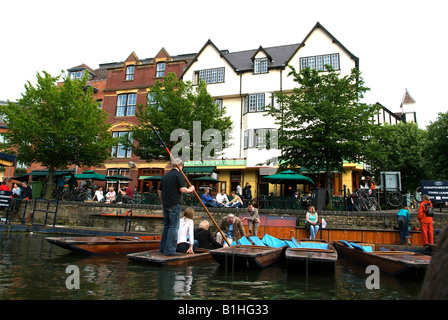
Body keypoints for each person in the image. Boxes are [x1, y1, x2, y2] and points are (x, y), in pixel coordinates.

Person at [158, 158, 195, 256]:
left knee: (166, 226)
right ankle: (169, 250)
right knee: (173, 227)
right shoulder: (179, 175)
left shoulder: (165, 176)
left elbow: (160, 191)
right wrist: (191, 189)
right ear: (180, 166)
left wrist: (162, 203)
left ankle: (162, 249)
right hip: (174, 204)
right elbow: (182, 189)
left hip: (165, 204)